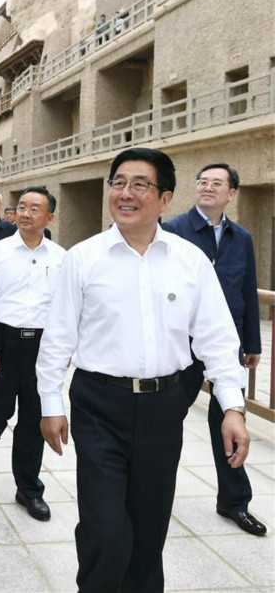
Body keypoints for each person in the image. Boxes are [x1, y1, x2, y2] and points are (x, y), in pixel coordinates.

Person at [36, 147, 251, 593]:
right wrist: (50, 403)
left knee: (148, 531)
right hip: (99, 403)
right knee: (106, 529)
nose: (126, 193)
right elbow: (57, 338)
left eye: (140, 185)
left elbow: (217, 339)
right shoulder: (84, 258)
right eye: (118, 183)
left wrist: (232, 407)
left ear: (165, 198)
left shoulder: (189, 260)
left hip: (163, 408)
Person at [162, 163, 265, 536]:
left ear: (231, 193)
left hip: (226, 346)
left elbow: (247, 291)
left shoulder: (242, 238)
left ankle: (234, 502)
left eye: (216, 183)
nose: (207, 187)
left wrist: (250, 343)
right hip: (182, 345)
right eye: (202, 181)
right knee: (166, 420)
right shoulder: (172, 230)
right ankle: (154, 492)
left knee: (231, 422)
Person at [0, 187, 66, 523]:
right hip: (3, 340)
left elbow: (65, 308)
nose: (25, 213)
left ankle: (28, 489)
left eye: (34, 208)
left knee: (33, 419)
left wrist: (63, 350)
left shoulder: (60, 256)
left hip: (42, 346)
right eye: (22, 207)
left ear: (49, 217)